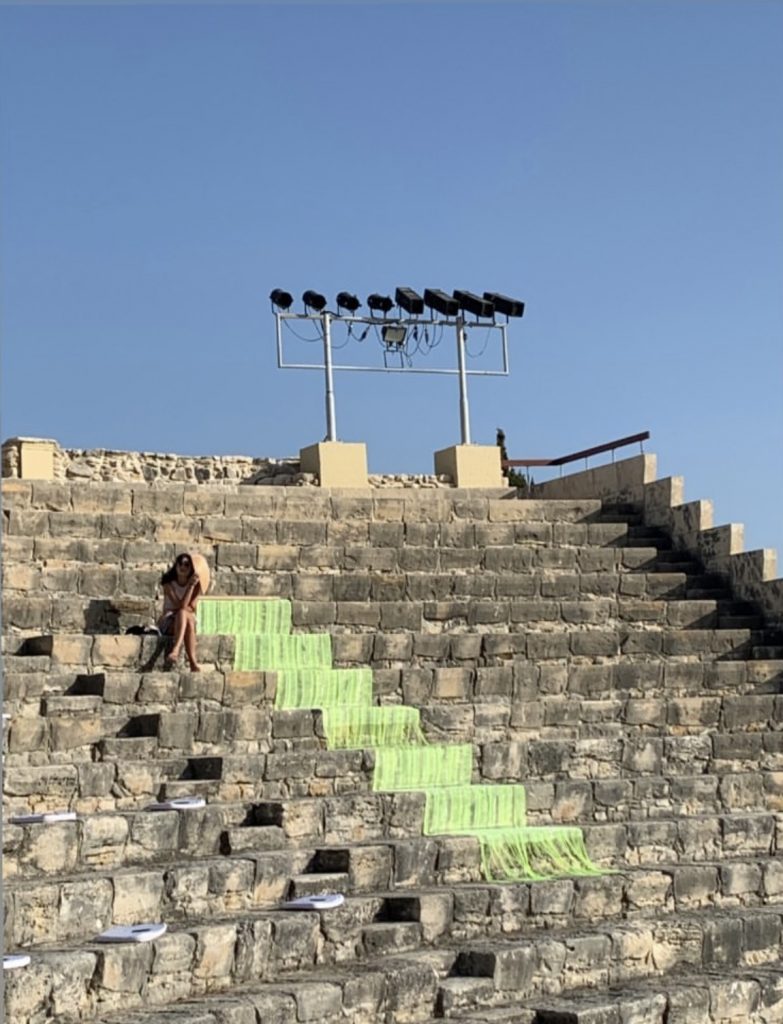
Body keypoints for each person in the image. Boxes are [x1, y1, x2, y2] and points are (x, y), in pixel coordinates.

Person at [159, 553, 201, 671]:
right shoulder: (168, 584)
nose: (183, 567)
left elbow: (192, 607)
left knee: (185, 616)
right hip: (169, 621)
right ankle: (191, 660)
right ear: (176, 566)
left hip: (186, 620)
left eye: (186, 565)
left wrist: (192, 586)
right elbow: (181, 605)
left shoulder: (197, 586)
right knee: (184, 613)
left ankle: (178, 652)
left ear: (191, 568)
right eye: (180, 563)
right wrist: (190, 587)